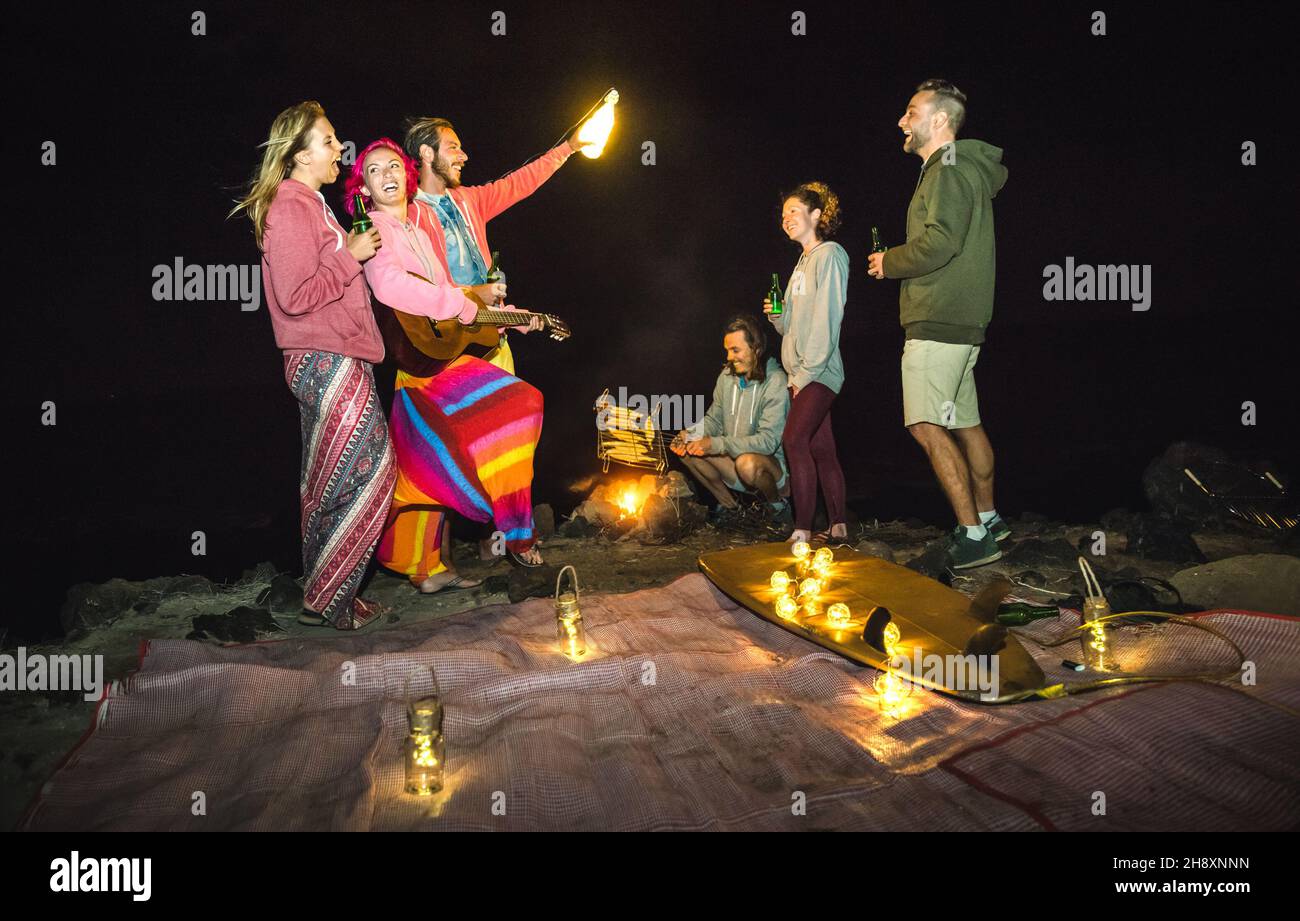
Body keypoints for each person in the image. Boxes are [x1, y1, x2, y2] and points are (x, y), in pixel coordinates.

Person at [346, 138, 547, 584]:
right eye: (374, 170)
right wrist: (457, 304)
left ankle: (426, 567)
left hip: (434, 360)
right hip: (423, 370)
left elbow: (459, 302)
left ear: (409, 173)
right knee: (520, 403)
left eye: (393, 165)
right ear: (364, 190)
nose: (387, 174)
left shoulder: (418, 231)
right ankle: (515, 529)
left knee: (430, 463)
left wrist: (514, 319)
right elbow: (390, 287)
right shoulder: (373, 228)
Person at [229, 101, 393, 629]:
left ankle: (330, 596)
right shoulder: (290, 205)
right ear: (299, 154)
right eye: (328, 140)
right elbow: (296, 295)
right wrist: (351, 255)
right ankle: (330, 594)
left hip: (338, 355)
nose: (338, 148)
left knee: (329, 477)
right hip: (325, 358)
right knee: (370, 470)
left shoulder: (312, 203)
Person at [867, 79, 1009, 569]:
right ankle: (990, 518)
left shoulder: (945, 170)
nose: (902, 121)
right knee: (965, 422)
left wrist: (889, 261)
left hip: (938, 318)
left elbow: (941, 243)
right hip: (964, 320)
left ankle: (973, 536)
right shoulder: (963, 168)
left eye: (911, 112)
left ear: (940, 120)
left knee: (926, 424)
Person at [401, 118, 591, 374]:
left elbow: (519, 183)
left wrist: (568, 147)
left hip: (492, 340)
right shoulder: (407, 214)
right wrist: (475, 293)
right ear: (427, 152)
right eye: (453, 147)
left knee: (516, 412)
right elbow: (410, 285)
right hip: (446, 350)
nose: (463, 155)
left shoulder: (470, 200)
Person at [764, 182, 850, 544]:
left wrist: (806, 374)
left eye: (794, 212)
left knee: (793, 440)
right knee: (820, 448)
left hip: (817, 370)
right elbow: (791, 326)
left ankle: (801, 530)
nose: (787, 219)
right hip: (802, 369)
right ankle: (839, 526)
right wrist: (776, 317)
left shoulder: (830, 254)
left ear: (816, 215)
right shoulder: (801, 264)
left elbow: (829, 318)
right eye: (784, 215)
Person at [672, 315, 791, 530]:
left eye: (735, 350)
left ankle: (778, 507)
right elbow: (714, 419)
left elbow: (768, 442)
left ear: (755, 348)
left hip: (770, 470)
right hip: (733, 463)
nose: (729, 357)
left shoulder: (776, 381)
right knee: (688, 451)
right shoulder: (727, 377)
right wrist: (692, 434)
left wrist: (715, 444)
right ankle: (732, 509)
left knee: (746, 462)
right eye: (727, 350)